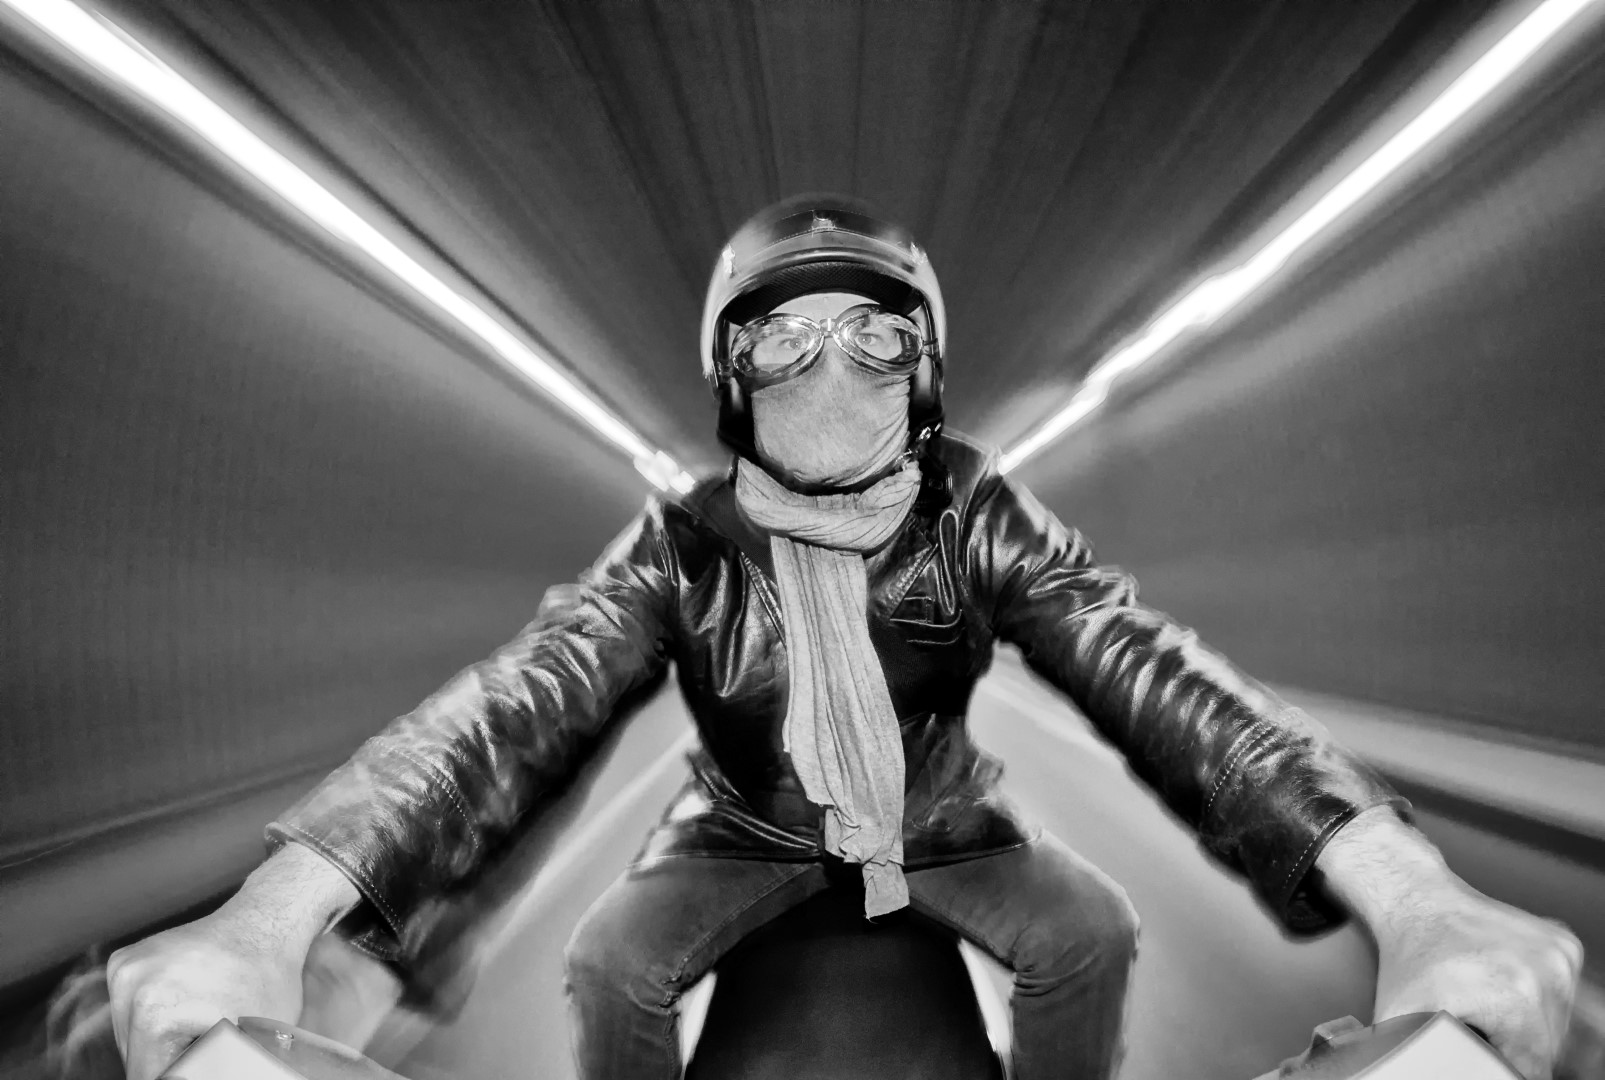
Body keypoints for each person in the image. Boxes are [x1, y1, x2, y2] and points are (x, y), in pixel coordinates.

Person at [106, 195, 1583, 1080]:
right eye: (781, 337)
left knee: (1090, 931)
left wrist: (1413, 897)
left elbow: (1154, 676)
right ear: (729, 378)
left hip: (937, 822)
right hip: (742, 829)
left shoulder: (974, 510)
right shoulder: (682, 541)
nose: (830, 368)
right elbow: (510, 711)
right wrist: (270, 921)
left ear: (923, 369)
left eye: (874, 335)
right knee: (611, 963)